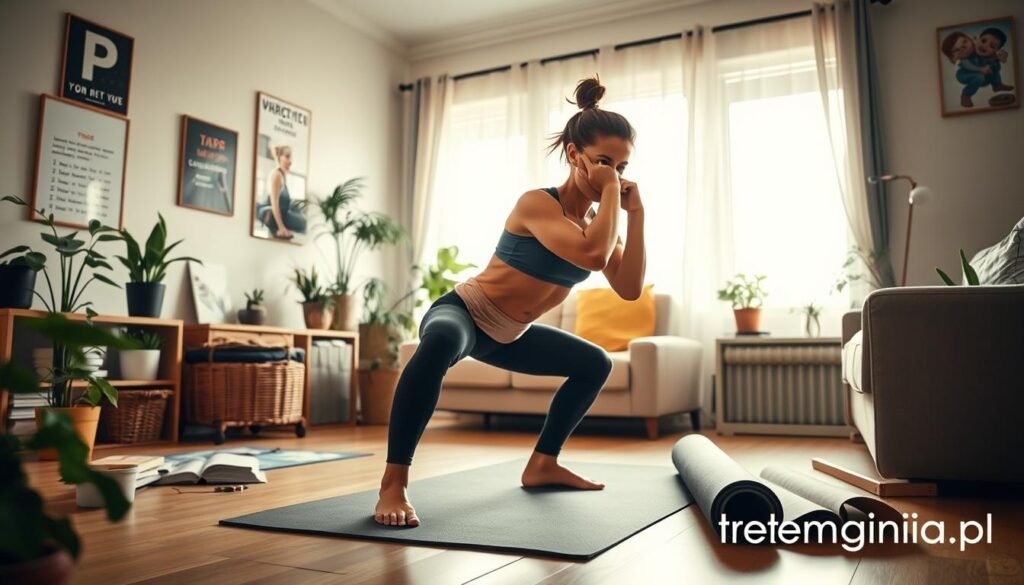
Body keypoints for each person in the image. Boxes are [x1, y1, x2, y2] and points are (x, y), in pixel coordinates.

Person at [374, 76, 647, 527]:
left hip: (509, 335)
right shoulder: (537, 204)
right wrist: (615, 198)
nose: (612, 176)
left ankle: (542, 464)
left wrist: (635, 214)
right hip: (465, 312)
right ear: (574, 155)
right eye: (603, 162)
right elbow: (593, 256)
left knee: (595, 364)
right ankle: (393, 483)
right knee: (440, 341)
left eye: (621, 167)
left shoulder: (601, 220)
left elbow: (629, 286)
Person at [259, 144, 307, 239]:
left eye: (291, 157)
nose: (290, 161)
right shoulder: (276, 175)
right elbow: (274, 203)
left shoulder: (282, 176)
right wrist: (281, 228)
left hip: (284, 214)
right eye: (287, 157)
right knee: (304, 223)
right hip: (278, 217)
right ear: (279, 158)